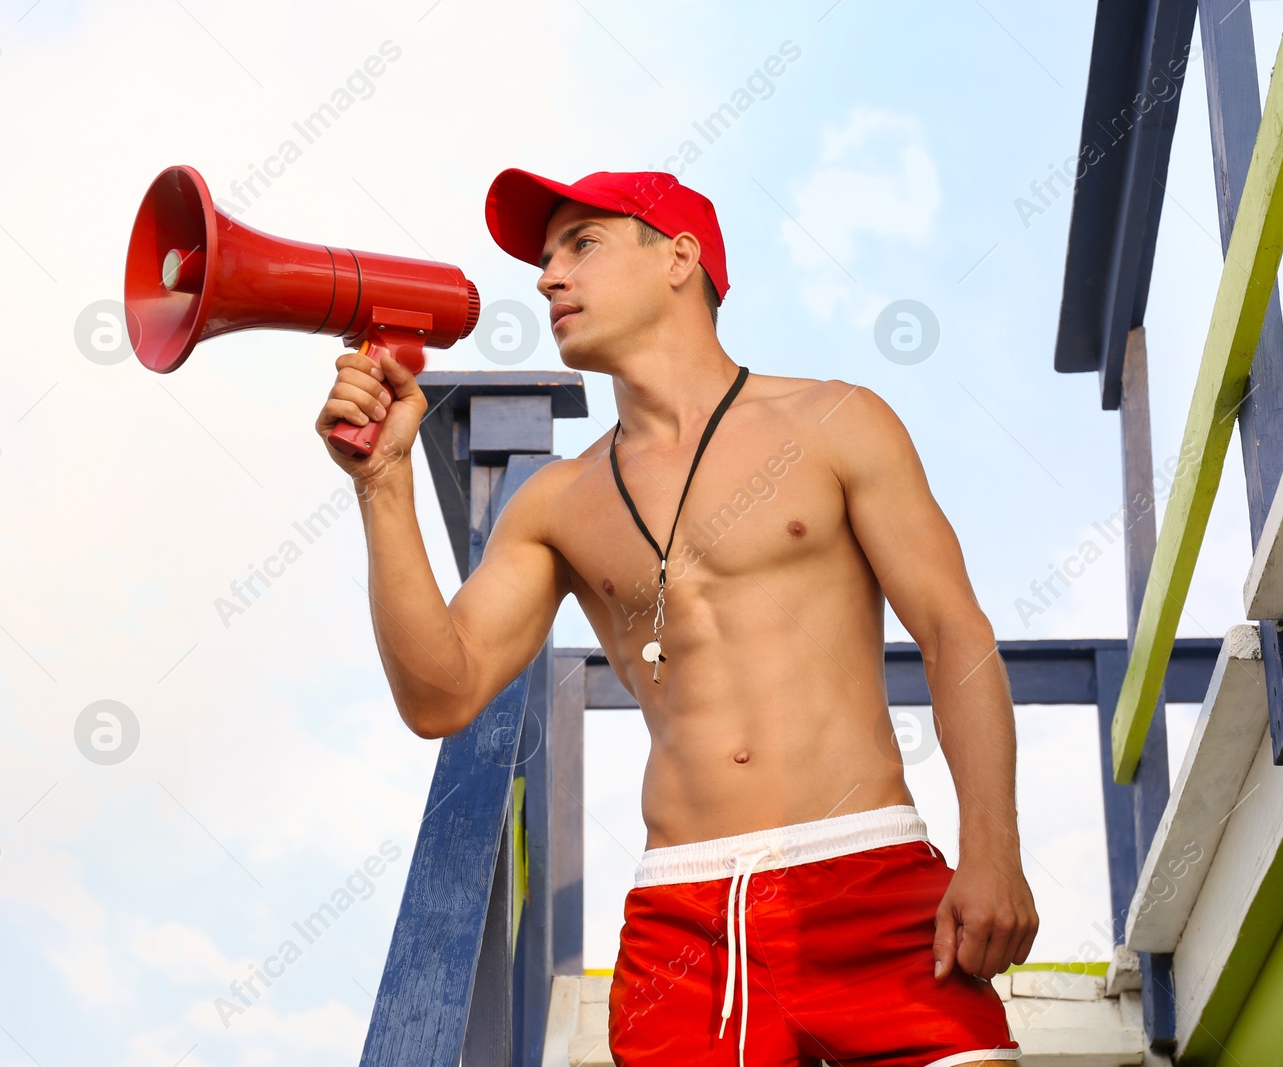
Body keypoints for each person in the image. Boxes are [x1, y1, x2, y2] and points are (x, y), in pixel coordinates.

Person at [315, 168, 1037, 1066]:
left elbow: (953, 632)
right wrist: (384, 484)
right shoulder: (557, 498)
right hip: (681, 920)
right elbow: (440, 693)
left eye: (582, 245)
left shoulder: (835, 421)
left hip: (867, 876)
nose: (547, 278)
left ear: (680, 260)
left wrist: (993, 848)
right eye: (543, 260)